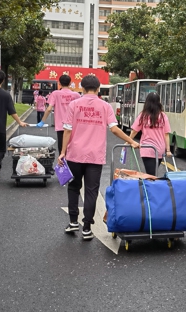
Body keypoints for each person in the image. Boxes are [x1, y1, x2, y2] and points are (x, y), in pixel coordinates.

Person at [58, 75, 139, 241]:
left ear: (82, 88)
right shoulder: (105, 106)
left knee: (73, 187)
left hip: (74, 154)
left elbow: (67, 130)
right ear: (98, 89)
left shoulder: (74, 104)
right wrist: (131, 141)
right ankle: (87, 228)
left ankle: (73, 222)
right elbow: (114, 129)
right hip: (95, 156)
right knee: (91, 191)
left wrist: (62, 152)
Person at [129, 92, 171, 176]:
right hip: (159, 149)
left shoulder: (143, 116)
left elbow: (134, 131)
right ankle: (152, 183)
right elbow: (166, 134)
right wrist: (168, 150)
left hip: (147, 148)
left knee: (151, 175)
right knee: (152, 174)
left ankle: (150, 184)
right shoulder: (163, 116)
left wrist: (128, 141)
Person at [37, 74, 81, 153]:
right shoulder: (76, 95)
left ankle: (63, 160)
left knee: (62, 151)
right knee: (73, 150)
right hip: (74, 126)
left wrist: (42, 121)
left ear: (59, 83)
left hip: (61, 126)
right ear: (70, 83)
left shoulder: (55, 94)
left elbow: (49, 109)